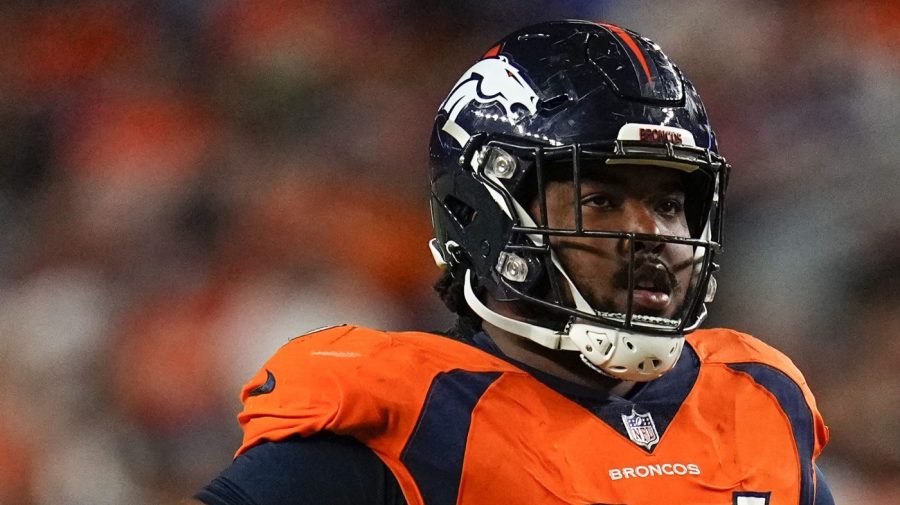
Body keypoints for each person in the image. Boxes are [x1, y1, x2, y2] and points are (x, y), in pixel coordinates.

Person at [188, 20, 834, 505]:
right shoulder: (412, 416)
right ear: (487, 212)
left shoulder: (755, 399)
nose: (653, 234)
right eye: (602, 199)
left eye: (669, 202)